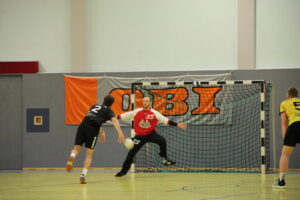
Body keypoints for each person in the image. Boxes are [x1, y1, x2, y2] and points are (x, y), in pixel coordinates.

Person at [115, 96, 187, 177]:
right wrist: (112, 117)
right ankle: (123, 172)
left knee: (162, 140)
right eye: (144, 101)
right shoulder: (137, 112)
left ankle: (164, 158)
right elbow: (123, 116)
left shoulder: (154, 113)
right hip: (139, 136)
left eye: (147, 101)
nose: (145, 102)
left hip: (151, 134)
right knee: (131, 154)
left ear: (150, 102)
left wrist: (177, 124)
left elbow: (165, 120)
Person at [66, 95, 125, 184]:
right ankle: (83, 175)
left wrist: (101, 132)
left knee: (76, 148)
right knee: (89, 154)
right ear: (111, 104)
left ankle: (72, 156)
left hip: (83, 125)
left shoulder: (94, 106)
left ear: (103, 100)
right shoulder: (109, 111)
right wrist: (120, 133)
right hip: (93, 130)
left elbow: (91, 119)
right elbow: (115, 120)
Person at [273, 87, 300, 189]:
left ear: (288, 95)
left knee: (285, 154)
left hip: (294, 126)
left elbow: (284, 124)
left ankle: (281, 182)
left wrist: (285, 139)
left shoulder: (284, 103)